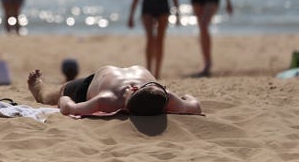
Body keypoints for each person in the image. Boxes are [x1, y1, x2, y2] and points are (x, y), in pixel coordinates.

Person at [28, 65, 202, 117]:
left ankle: (39, 89)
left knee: (51, 96)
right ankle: (42, 87)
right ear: (133, 88)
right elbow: (194, 106)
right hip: (98, 79)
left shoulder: (109, 100)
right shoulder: (165, 97)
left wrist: (64, 98)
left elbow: (67, 106)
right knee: (55, 94)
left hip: (91, 85)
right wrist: (185, 98)